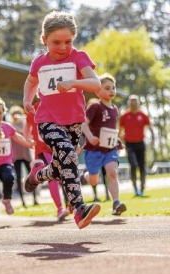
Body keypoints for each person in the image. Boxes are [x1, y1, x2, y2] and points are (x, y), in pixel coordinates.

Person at [22, 11, 101, 230]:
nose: (63, 47)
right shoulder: (39, 63)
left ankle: (37, 175)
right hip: (47, 120)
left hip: (74, 122)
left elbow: (95, 84)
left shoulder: (78, 58)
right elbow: (30, 83)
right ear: (44, 40)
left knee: (61, 166)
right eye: (56, 42)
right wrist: (27, 100)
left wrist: (74, 82)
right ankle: (79, 209)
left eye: (68, 41)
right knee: (67, 153)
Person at [0, 96, 34, 226]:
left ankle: (7, 200)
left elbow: (17, 136)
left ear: (4, 112)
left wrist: (27, 143)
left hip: (5, 161)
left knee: (9, 177)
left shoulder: (7, 127)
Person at [80, 73, 127, 216]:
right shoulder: (95, 107)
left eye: (113, 88)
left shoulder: (115, 109)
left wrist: (117, 141)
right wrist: (90, 136)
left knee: (112, 173)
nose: (112, 91)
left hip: (109, 149)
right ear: (97, 91)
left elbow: (111, 129)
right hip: (94, 149)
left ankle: (116, 203)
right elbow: (83, 123)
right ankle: (85, 176)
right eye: (107, 88)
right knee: (94, 181)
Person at [24, 100, 69, 221]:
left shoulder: (60, 106)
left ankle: (70, 205)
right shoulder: (34, 109)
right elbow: (27, 124)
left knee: (66, 176)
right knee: (53, 176)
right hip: (43, 150)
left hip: (58, 149)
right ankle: (60, 208)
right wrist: (27, 139)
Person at [118, 94, 152, 197]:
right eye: (132, 103)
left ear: (138, 104)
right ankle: (135, 189)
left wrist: (153, 138)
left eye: (135, 103)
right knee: (133, 165)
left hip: (141, 143)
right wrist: (119, 142)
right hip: (129, 144)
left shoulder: (143, 115)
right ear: (129, 104)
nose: (134, 105)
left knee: (142, 167)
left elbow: (150, 127)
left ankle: (142, 188)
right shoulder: (125, 115)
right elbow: (120, 130)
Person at [9, 105, 39, 207]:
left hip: (26, 154)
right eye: (14, 113)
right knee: (18, 177)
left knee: (32, 175)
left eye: (18, 112)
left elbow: (27, 133)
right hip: (16, 156)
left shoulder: (25, 124)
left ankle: (35, 199)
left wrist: (22, 120)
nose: (16, 115)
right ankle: (23, 201)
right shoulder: (11, 126)